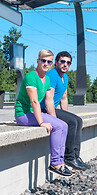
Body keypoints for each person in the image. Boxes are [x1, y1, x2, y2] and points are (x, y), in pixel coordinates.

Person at [15, 49, 72, 177]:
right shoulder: (31, 77)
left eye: (49, 62)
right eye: (43, 60)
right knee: (57, 127)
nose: (46, 64)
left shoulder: (46, 79)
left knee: (63, 125)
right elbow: (34, 101)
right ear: (38, 61)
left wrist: (55, 119)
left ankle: (60, 162)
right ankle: (55, 163)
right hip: (23, 115)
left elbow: (49, 100)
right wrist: (41, 122)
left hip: (34, 114)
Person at [41, 51, 90, 171]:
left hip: (52, 108)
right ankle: (69, 157)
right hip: (44, 109)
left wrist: (67, 115)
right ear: (56, 62)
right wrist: (55, 119)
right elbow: (49, 100)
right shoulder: (52, 75)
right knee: (72, 122)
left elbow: (64, 98)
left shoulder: (65, 77)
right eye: (62, 61)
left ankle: (75, 156)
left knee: (77, 120)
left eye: (68, 63)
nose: (65, 65)